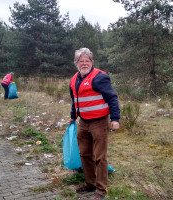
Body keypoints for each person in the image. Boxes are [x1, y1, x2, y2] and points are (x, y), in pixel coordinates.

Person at [69, 48, 120, 200]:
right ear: (76, 63)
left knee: (100, 157)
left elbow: (112, 98)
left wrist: (115, 119)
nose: (84, 63)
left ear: (92, 62)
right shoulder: (73, 80)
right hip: (83, 123)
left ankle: (101, 190)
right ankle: (90, 183)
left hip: (99, 122)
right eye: (81, 61)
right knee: (85, 154)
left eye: (87, 61)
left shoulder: (100, 77)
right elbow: (75, 100)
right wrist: (73, 116)